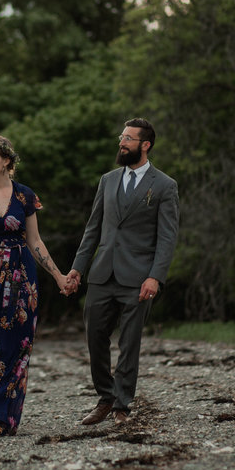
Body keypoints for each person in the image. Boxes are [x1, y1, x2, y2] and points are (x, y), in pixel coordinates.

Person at [0, 134, 76, 437]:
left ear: (6, 161)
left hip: (22, 278)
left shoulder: (24, 197)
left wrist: (59, 276)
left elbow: (34, 241)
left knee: (15, 345)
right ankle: (2, 416)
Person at [66, 118, 179, 426]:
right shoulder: (108, 180)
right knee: (95, 337)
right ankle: (105, 397)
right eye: (121, 137)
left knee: (129, 343)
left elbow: (167, 238)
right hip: (102, 274)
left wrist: (155, 276)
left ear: (146, 145)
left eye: (128, 138)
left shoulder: (165, 186)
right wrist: (77, 268)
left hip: (139, 278)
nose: (122, 142)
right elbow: (93, 229)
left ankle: (121, 406)